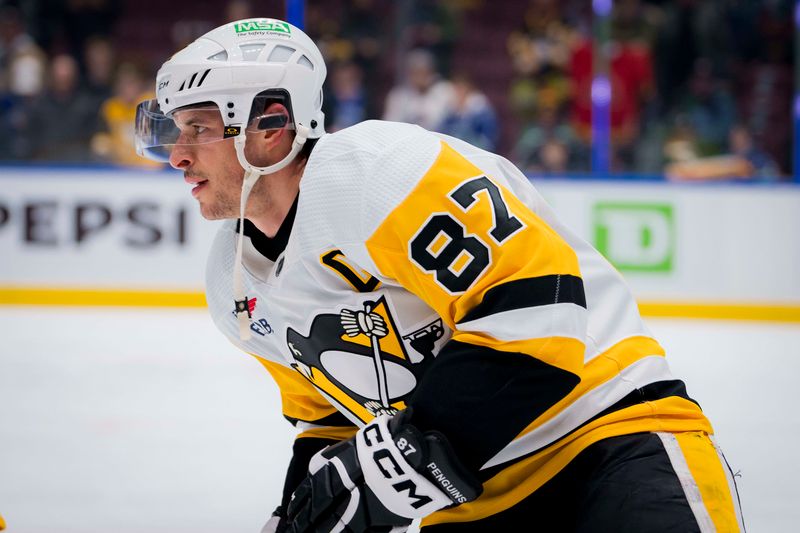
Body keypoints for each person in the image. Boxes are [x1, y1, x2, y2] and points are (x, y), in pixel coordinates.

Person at [135, 18, 745, 532]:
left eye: (199, 128)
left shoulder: (381, 172)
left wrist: (390, 470)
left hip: (605, 440)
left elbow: (538, 314)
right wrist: (305, 512)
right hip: (468, 502)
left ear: (271, 124)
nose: (178, 155)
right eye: (173, 130)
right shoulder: (232, 282)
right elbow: (326, 419)